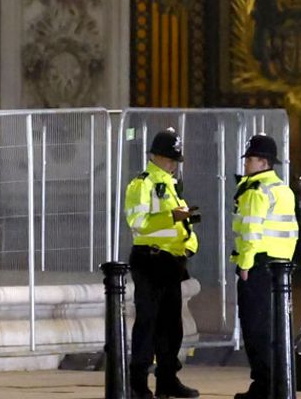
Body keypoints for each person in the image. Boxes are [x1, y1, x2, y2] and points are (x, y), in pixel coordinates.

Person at [125, 127, 200, 399]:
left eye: (175, 160)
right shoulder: (142, 184)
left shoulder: (170, 185)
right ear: (155, 156)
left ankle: (167, 380)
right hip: (150, 259)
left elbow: (184, 226)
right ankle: (137, 384)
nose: (173, 165)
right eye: (170, 159)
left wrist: (190, 246)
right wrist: (173, 217)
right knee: (147, 322)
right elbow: (138, 224)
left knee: (171, 325)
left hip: (171, 262)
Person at [231, 134, 298, 399]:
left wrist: (245, 265)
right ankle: (277, 383)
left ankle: (263, 386)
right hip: (279, 268)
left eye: (250, 158)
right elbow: (291, 231)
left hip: (257, 266)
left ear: (263, 162)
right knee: (274, 328)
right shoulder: (282, 189)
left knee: (255, 329)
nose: (246, 163)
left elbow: (250, 232)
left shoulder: (255, 191)